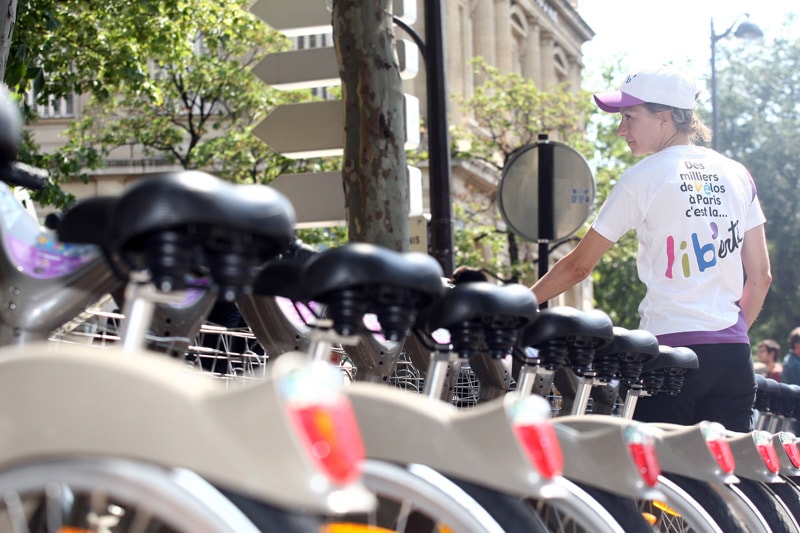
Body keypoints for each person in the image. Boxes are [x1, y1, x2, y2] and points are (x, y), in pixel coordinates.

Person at [529, 64, 772, 433]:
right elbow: (761, 277)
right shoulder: (737, 174)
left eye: (629, 117)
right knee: (727, 480)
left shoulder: (642, 177)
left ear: (666, 118)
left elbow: (578, 267)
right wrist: (731, 338)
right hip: (734, 357)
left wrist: (520, 304)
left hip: (670, 358)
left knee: (657, 481)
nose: (621, 129)